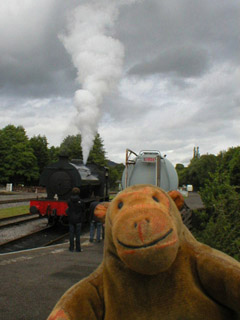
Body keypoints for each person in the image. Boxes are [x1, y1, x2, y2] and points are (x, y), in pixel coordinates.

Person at [67, 187, 85, 252]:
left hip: (71, 219)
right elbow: (83, 210)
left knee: (71, 234)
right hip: (78, 220)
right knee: (78, 235)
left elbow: (69, 208)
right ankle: (78, 248)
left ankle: (71, 248)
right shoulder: (81, 201)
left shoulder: (69, 201)